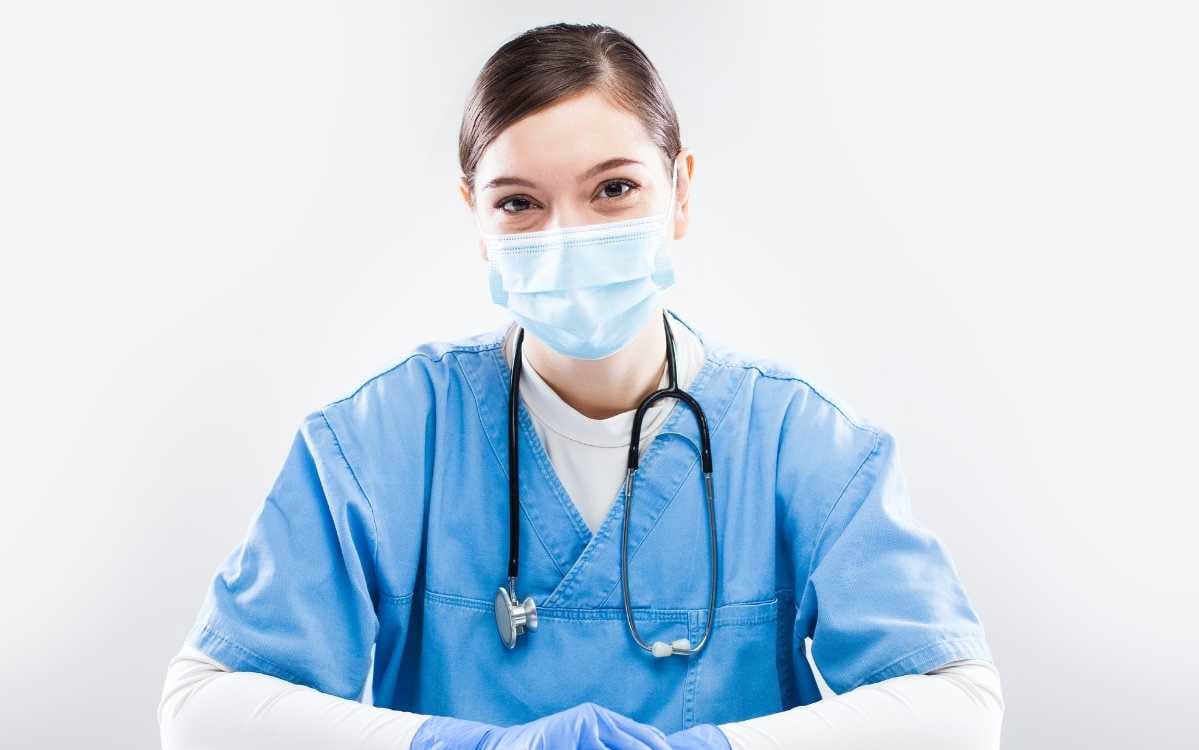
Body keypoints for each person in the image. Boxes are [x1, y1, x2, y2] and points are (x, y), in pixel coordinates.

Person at [158, 22, 1005, 750]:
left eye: (613, 189)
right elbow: (203, 708)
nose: (567, 237)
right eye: (519, 203)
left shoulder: (795, 442)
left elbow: (958, 705)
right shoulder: (387, 437)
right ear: (476, 220)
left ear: (680, 193)